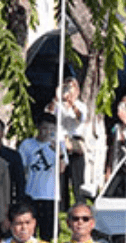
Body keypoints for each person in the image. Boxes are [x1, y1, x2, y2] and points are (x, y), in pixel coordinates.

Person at [46, 78, 90, 206]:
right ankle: (62, 206)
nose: (70, 91)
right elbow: (48, 113)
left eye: (73, 87)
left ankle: (80, 203)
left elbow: (80, 117)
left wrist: (72, 103)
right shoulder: (57, 105)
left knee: (77, 175)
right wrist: (56, 98)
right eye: (67, 87)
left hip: (74, 141)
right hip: (59, 141)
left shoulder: (81, 105)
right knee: (61, 175)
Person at [18, 114, 62, 238]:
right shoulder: (27, 144)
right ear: (38, 128)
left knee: (48, 231)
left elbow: (62, 169)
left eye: (51, 129)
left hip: (51, 194)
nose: (47, 132)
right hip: (31, 192)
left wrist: (58, 153)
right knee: (29, 228)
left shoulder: (58, 144)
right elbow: (22, 167)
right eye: (44, 128)